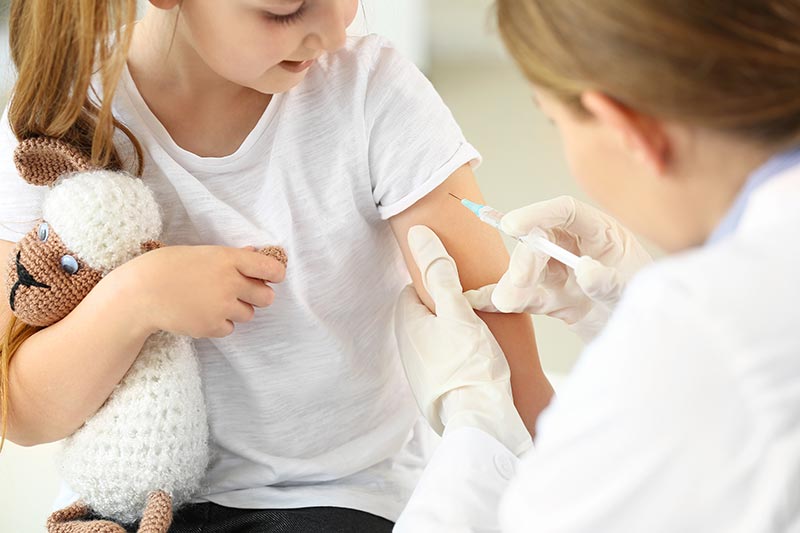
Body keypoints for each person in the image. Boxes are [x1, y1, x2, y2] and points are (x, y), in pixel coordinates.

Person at [0, 1, 554, 531]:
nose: (338, 30)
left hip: (329, 494)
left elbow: (509, 368)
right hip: (123, 502)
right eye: (284, 10)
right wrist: (135, 299)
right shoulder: (61, 117)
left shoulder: (371, 91)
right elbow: (21, 412)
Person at [394, 1, 800, 531]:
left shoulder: (708, 330)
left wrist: (477, 425)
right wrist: (632, 324)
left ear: (627, 128)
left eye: (553, 118)